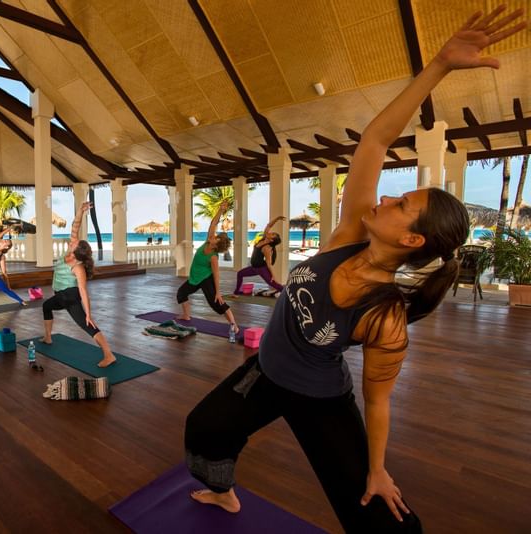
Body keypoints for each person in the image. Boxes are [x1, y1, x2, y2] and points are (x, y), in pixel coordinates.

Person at [183, 7, 525, 532]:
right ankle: (223, 492)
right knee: (205, 429)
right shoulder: (348, 234)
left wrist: (378, 469)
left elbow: (378, 401)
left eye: (401, 204)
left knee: (378, 515)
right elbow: (375, 140)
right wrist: (438, 65)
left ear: (411, 240)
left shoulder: (385, 315)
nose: (385, 198)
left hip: (320, 397)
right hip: (266, 370)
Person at [40, 202, 116, 368]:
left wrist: (88, 314)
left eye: (74, 243)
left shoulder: (78, 267)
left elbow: (83, 291)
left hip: (70, 297)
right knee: (46, 306)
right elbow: (75, 226)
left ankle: (109, 355)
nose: (71, 241)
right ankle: (48, 337)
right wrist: (81, 211)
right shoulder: (69, 252)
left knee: (86, 325)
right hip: (60, 295)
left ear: (76, 252)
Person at [176, 200, 239, 333]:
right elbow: (213, 224)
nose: (213, 236)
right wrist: (221, 210)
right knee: (181, 293)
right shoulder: (207, 242)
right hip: (195, 278)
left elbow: (216, 275)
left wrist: (218, 292)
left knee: (216, 304)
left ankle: (234, 325)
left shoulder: (213, 257)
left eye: (216, 238)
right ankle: (186, 315)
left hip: (206, 279)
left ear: (216, 245)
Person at [232, 215, 286, 296]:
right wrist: (277, 218)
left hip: (261, 269)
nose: (270, 232)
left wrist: (273, 276)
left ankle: (288, 293)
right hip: (254, 268)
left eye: (272, 234)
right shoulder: (263, 239)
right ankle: (236, 292)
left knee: (273, 284)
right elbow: (269, 226)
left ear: (271, 240)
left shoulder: (267, 248)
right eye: (272, 233)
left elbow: (269, 263)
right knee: (240, 273)